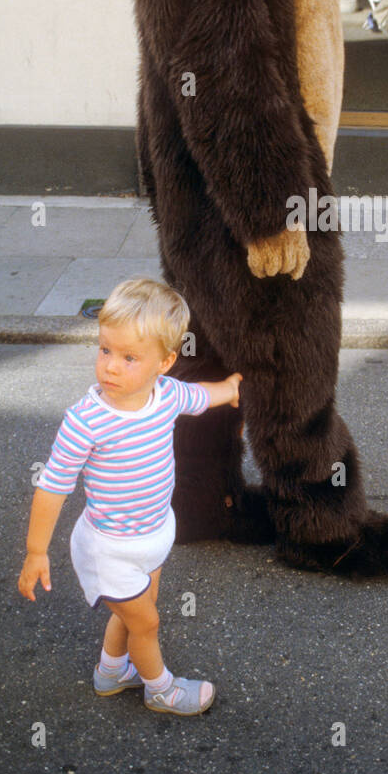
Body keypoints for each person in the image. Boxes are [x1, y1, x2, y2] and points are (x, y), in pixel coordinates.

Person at [18, 277, 242, 717]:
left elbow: (201, 397)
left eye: (129, 357)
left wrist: (230, 390)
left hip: (153, 534)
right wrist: (35, 550)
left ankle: (111, 671)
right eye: (105, 350)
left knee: (139, 611)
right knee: (147, 621)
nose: (111, 367)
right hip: (110, 549)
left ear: (165, 362)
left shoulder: (166, 395)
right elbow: (53, 485)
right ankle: (160, 689)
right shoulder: (86, 421)